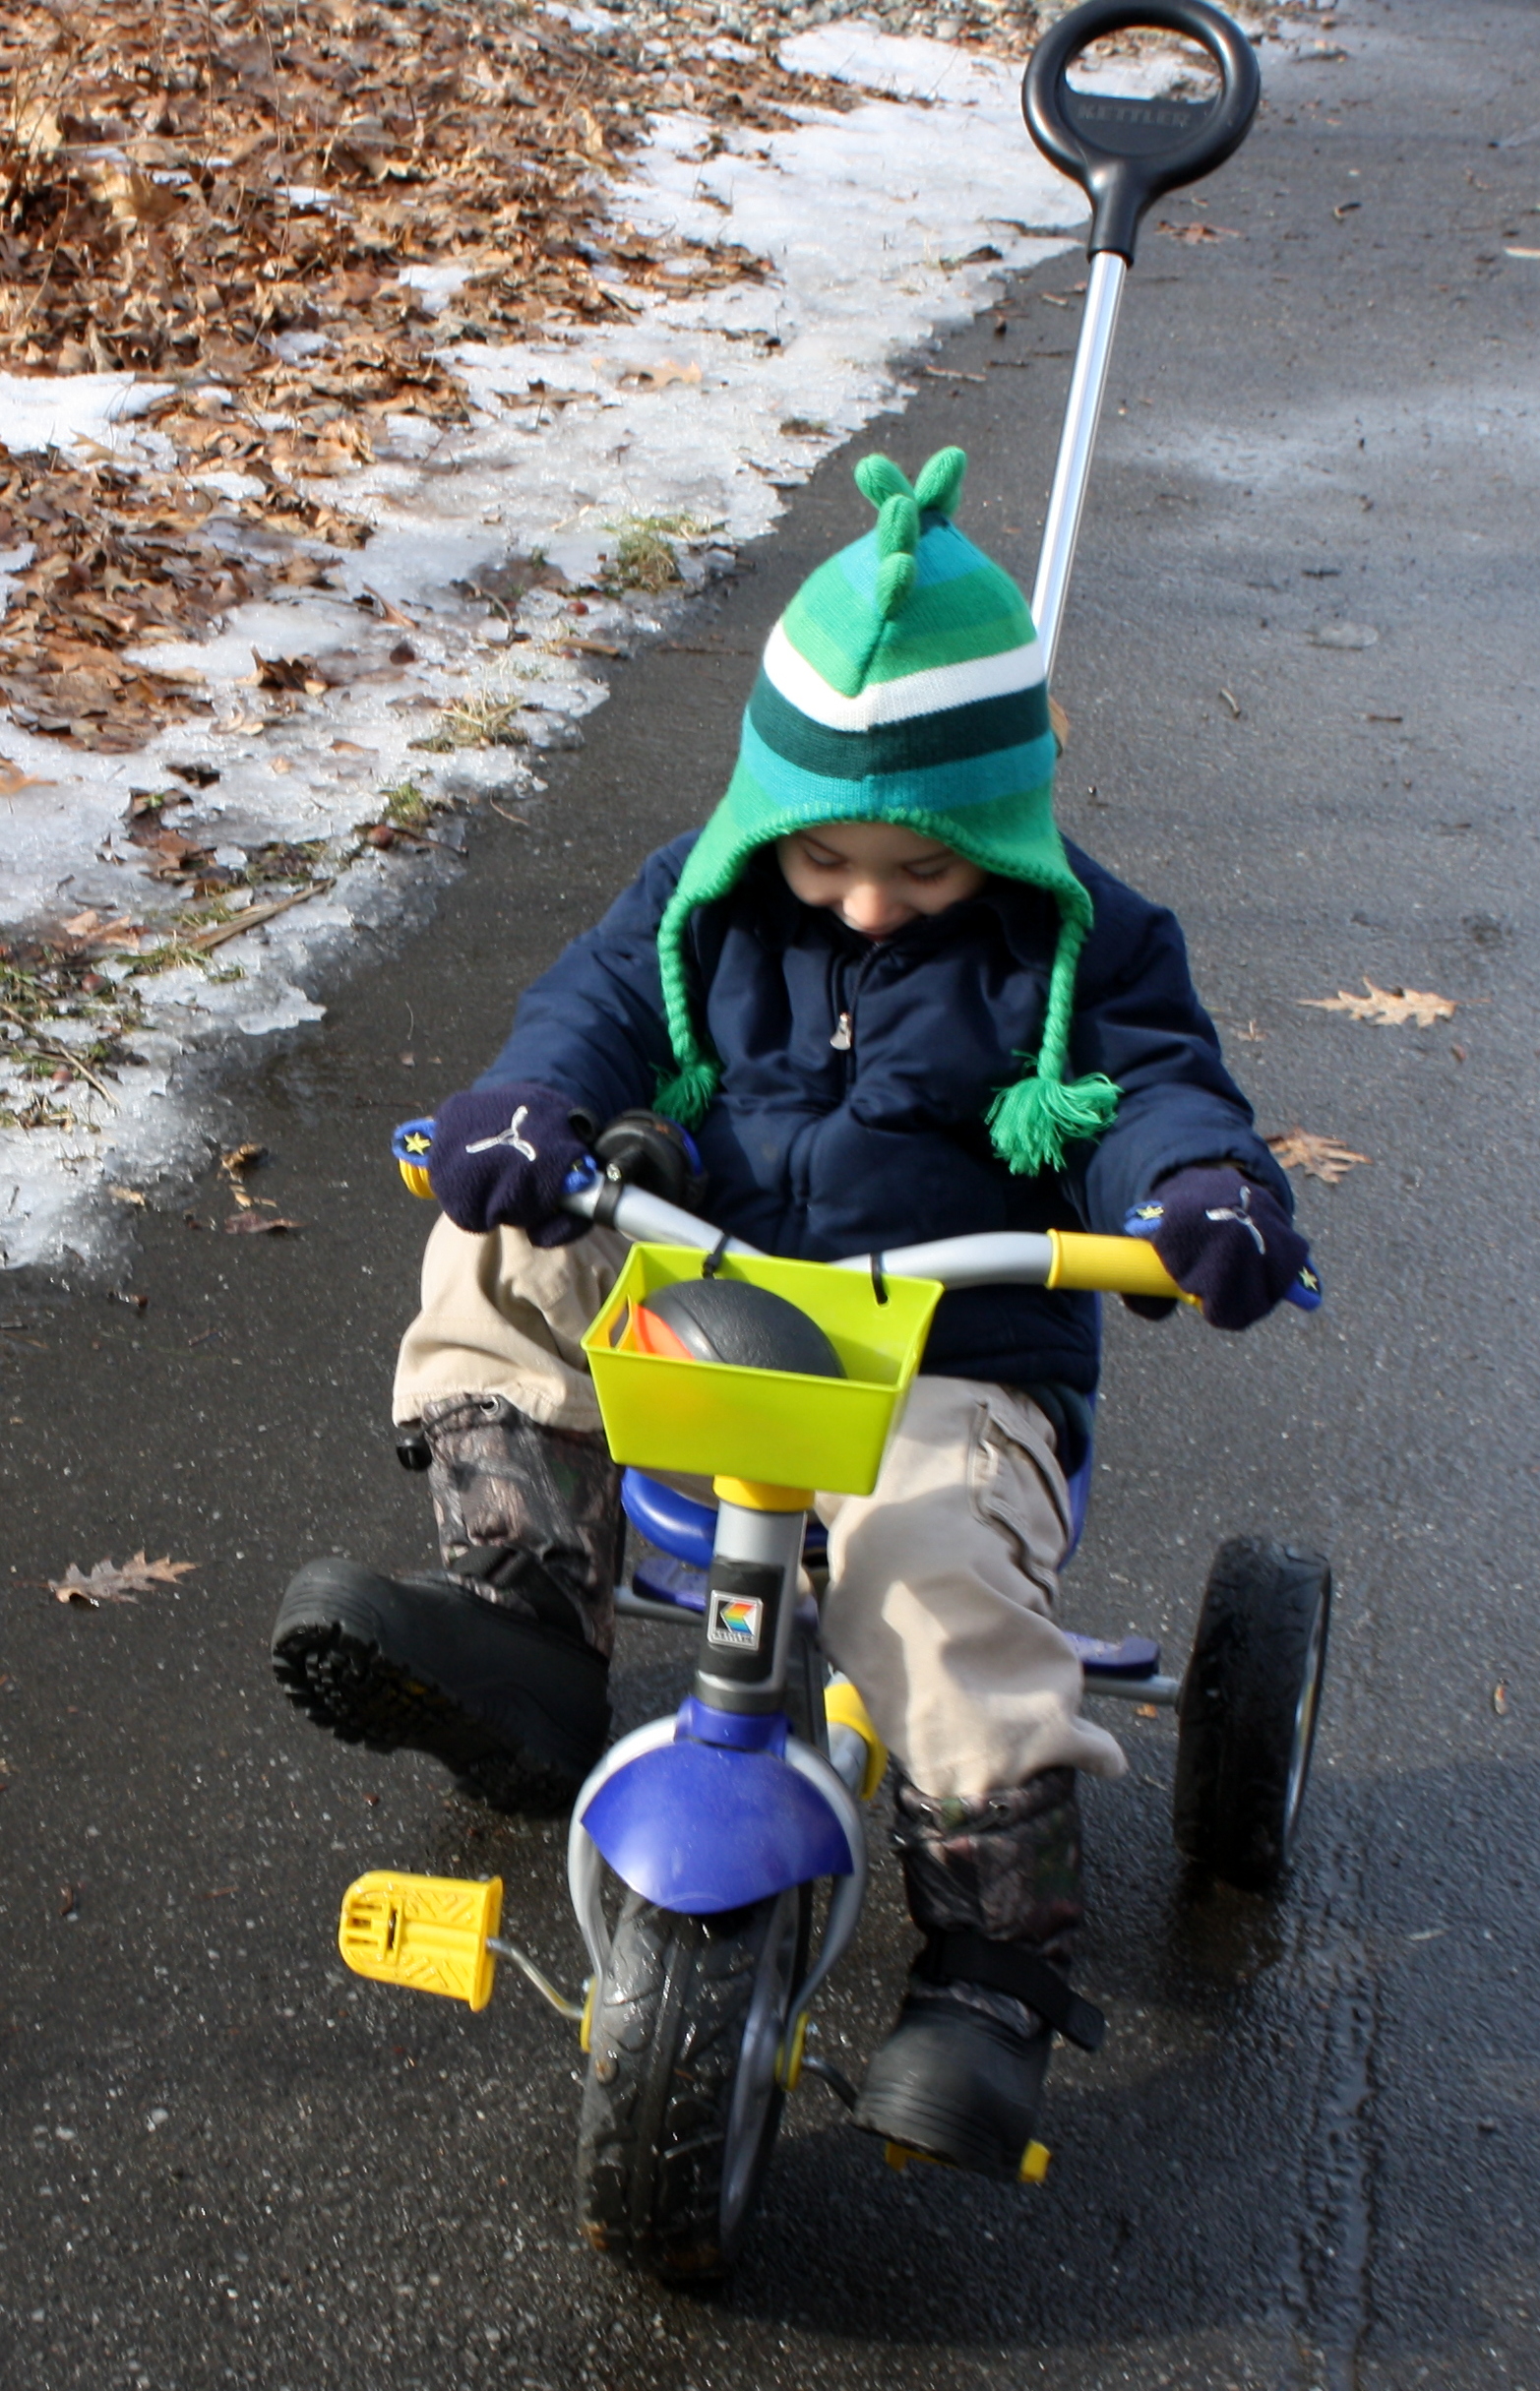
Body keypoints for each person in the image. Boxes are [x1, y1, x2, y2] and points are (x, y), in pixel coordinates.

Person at [272, 445, 1314, 2179]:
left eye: (924, 871)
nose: (866, 901)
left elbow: (1153, 1090)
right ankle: (527, 1616)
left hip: (946, 1363)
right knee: (499, 1251)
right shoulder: (703, 899)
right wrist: (530, 1104)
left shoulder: (1083, 951)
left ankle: (991, 1963)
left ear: (1001, 831)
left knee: (924, 1578)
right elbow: (596, 1003)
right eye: (822, 857)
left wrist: (1197, 1186)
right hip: (715, 1307)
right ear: (768, 815)